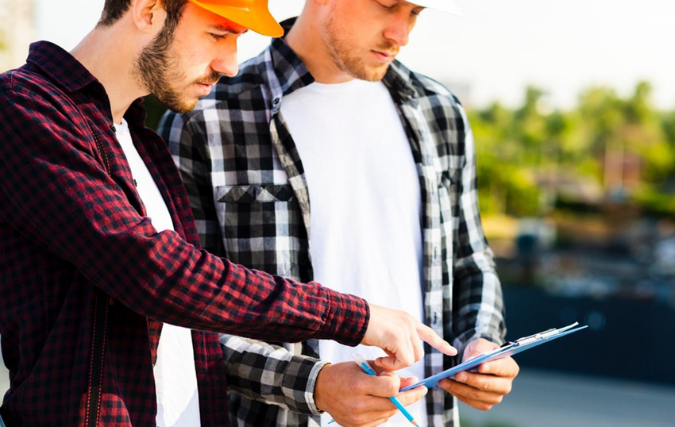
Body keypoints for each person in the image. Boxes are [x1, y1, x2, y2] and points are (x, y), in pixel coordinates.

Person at [0, 0, 457, 425]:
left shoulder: (141, 143)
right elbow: (159, 273)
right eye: (219, 34)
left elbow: (201, 314)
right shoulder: (24, 109)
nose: (231, 63)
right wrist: (355, 317)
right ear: (148, 9)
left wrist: (315, 382)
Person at [160, 0, 520, 426]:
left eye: (415, 14)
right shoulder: (208, 117)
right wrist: (316, 385)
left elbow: (470, 258)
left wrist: (482, 343)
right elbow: (184, 314)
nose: (400, 34)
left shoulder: (438, 111)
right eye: (387, 6)